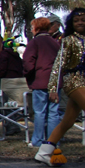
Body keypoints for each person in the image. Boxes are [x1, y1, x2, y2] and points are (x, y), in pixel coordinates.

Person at [36, 8, 85, 167]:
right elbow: (58, 65)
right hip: (73, 82)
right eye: (77, 21)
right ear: (71, 23)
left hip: (83, 83)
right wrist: (52, 88)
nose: (80, 23)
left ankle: (43, 153)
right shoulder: (68, 40)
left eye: (83, 20)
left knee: (67, 122)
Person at [23, 17, 61, 149]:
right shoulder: (55, 42)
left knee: (40, 112)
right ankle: (53, 141)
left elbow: (28, 63)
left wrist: (28, 74)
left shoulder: (35, 42)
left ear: (37, 28)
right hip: (55, 83)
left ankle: (38, 140)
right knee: (54, 112)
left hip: (40, 81)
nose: (32, 30)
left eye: (33, 28)